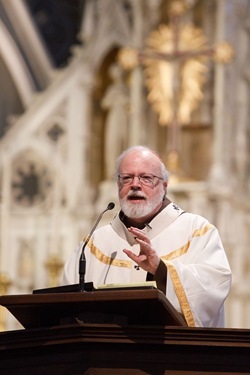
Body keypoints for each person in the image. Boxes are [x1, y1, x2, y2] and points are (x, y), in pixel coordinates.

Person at [62, 145, 232, 327]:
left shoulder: (197, 231)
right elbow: (65, 305)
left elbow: (216, 284)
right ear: (118, 185)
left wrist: (161, 270)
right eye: (126, 178)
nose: (135, 185)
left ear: (164, 186)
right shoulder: (93, 244)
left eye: (146, 178)